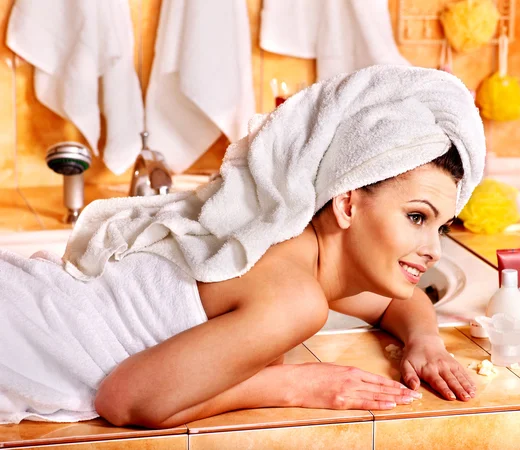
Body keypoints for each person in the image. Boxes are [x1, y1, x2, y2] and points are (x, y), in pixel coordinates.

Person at [0, 65, 486, 428]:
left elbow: (399, 301)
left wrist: (424, 341)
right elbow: (126, 399)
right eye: (417, 217)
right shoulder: (295, 300)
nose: (434, 250)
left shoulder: (284, 242)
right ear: (348, 203)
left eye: (440, 227)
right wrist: (290, 386)